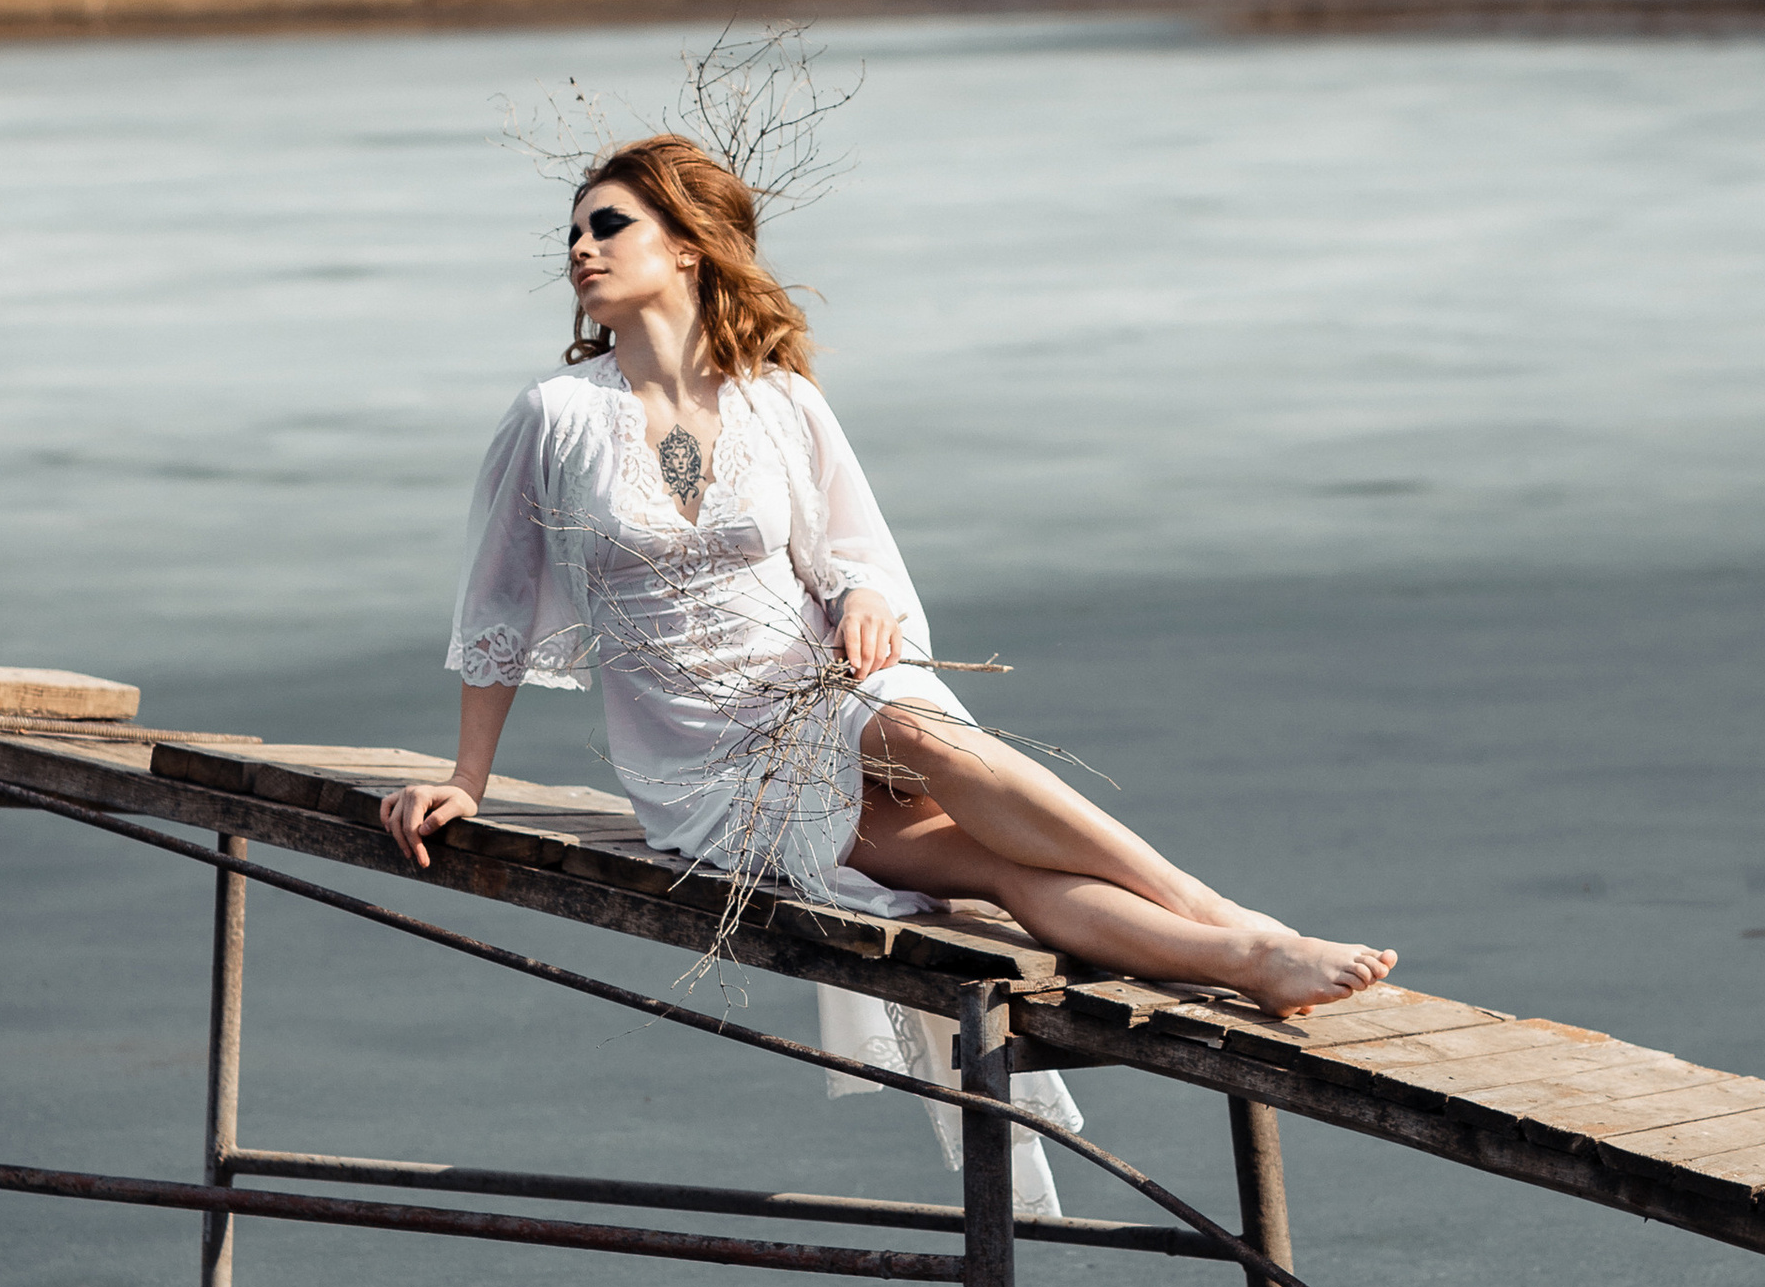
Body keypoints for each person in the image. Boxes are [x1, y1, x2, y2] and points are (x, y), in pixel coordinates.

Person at [383, 133, 1395, 1020]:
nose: (580, 249)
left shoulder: (780, 402)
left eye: (608, 225)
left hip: (821, 685)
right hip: (703, 763)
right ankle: (1243, 954)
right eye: (572, 234)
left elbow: (854, 558)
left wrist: (863, 598)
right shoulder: (554, 416)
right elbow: (498, 607)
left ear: (685, 242)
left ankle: (1233, 928)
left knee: (917, 725)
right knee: (991, 867)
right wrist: (466, 782)